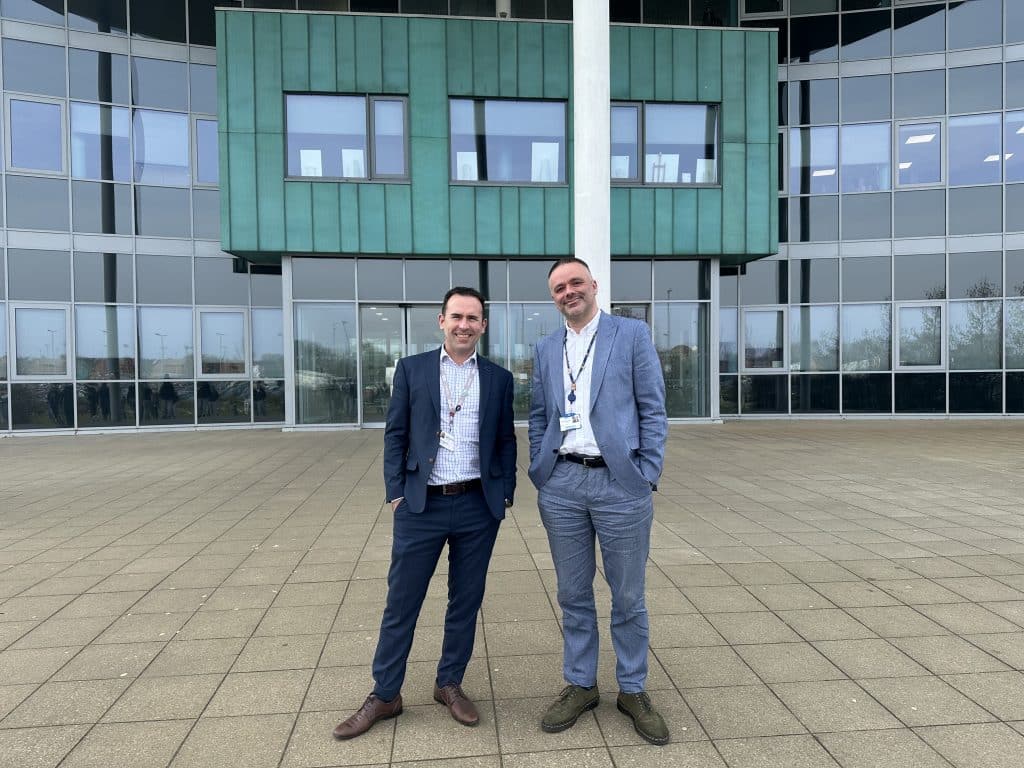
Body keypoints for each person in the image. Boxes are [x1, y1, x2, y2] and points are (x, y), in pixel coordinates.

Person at [333, 286, 517, 740]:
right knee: (402, 602)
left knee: (465, 601)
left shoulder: (498, 378)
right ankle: (385, 694)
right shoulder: (412, 369)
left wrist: (505, 491)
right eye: (456, 316)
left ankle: (448, 683)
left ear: (483, 326)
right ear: (441, 320)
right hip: (422, 505)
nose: (464, 325)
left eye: (473, 318)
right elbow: (395, 434)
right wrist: (396, 491)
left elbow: (506, 439)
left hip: (478, 505)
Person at [528, 257, 669, 745]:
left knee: (628, 596)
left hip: (620, 485)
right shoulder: (547, 348)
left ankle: (632, 689)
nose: (569, 292)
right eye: (559, 287)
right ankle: (581, 684)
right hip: (562, 484)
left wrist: (646, 472)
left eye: (575, 283)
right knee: (572, 594)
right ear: (553, 297)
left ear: (594, 285)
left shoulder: (630, 335)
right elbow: (539, 414)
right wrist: (539, 470)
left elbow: (653, 408)